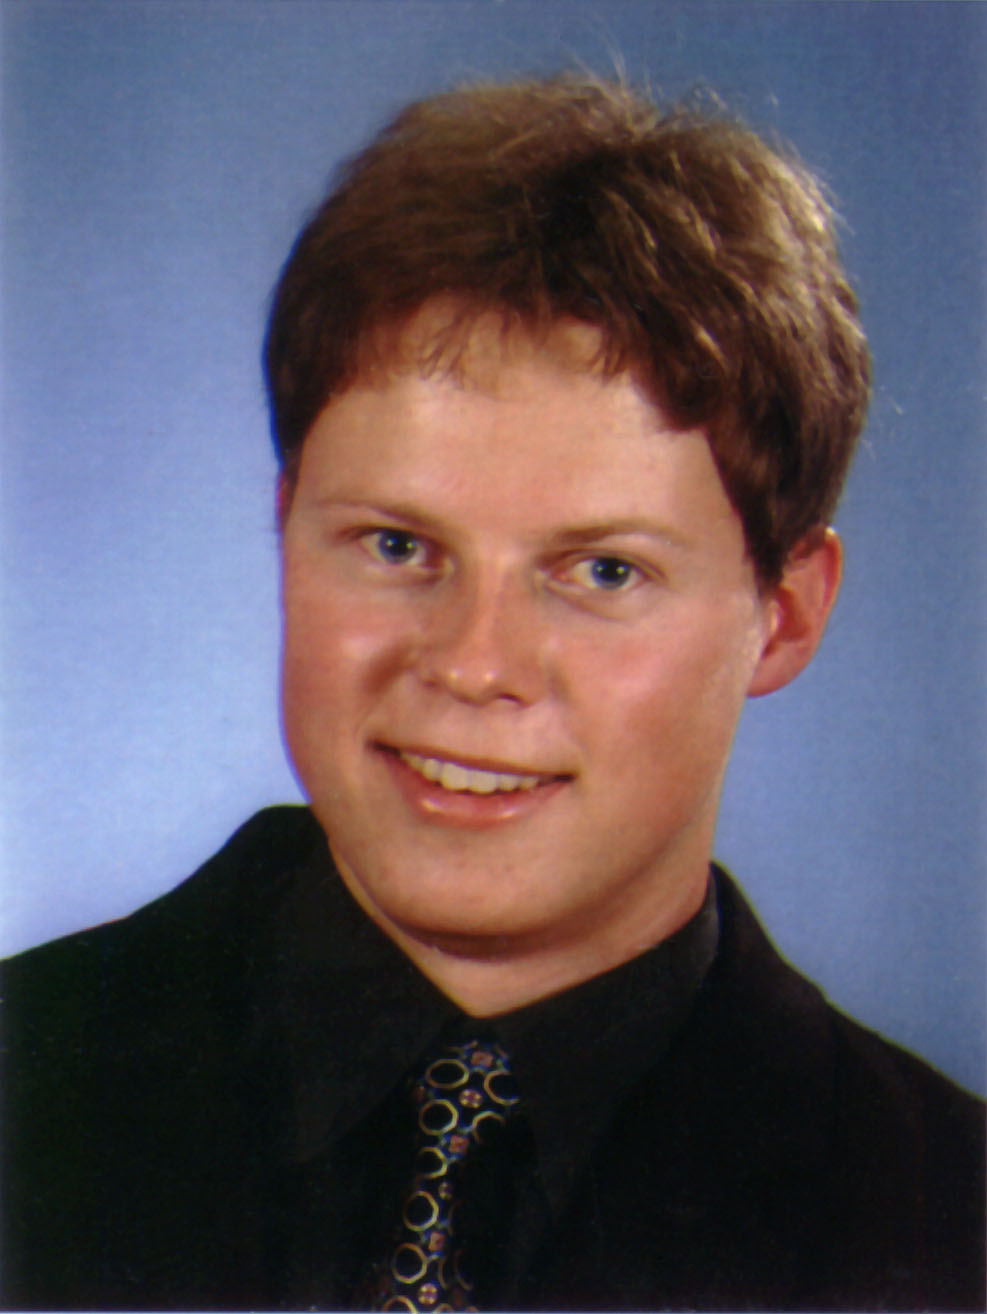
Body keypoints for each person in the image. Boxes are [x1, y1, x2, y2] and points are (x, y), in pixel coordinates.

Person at [2, 75, 983, 1313]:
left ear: (783, 613)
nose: (473, 665)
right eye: (397, 546)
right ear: (285, 527)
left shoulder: (946, 1218)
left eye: (603, 571)